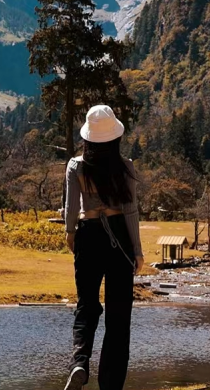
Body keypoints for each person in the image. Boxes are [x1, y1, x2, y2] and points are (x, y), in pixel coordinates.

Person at [64, 105, 144, 390]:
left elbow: (71, 209)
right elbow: (130, 211)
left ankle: (79, 363)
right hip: (119, 237)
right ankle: (110, 385)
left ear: (88, 138)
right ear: (115, 138)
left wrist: (71, 235)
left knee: (86, 306)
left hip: (88, 234)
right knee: (118, 317)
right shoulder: (125, 167)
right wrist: (136, 251)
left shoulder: (76, 166)